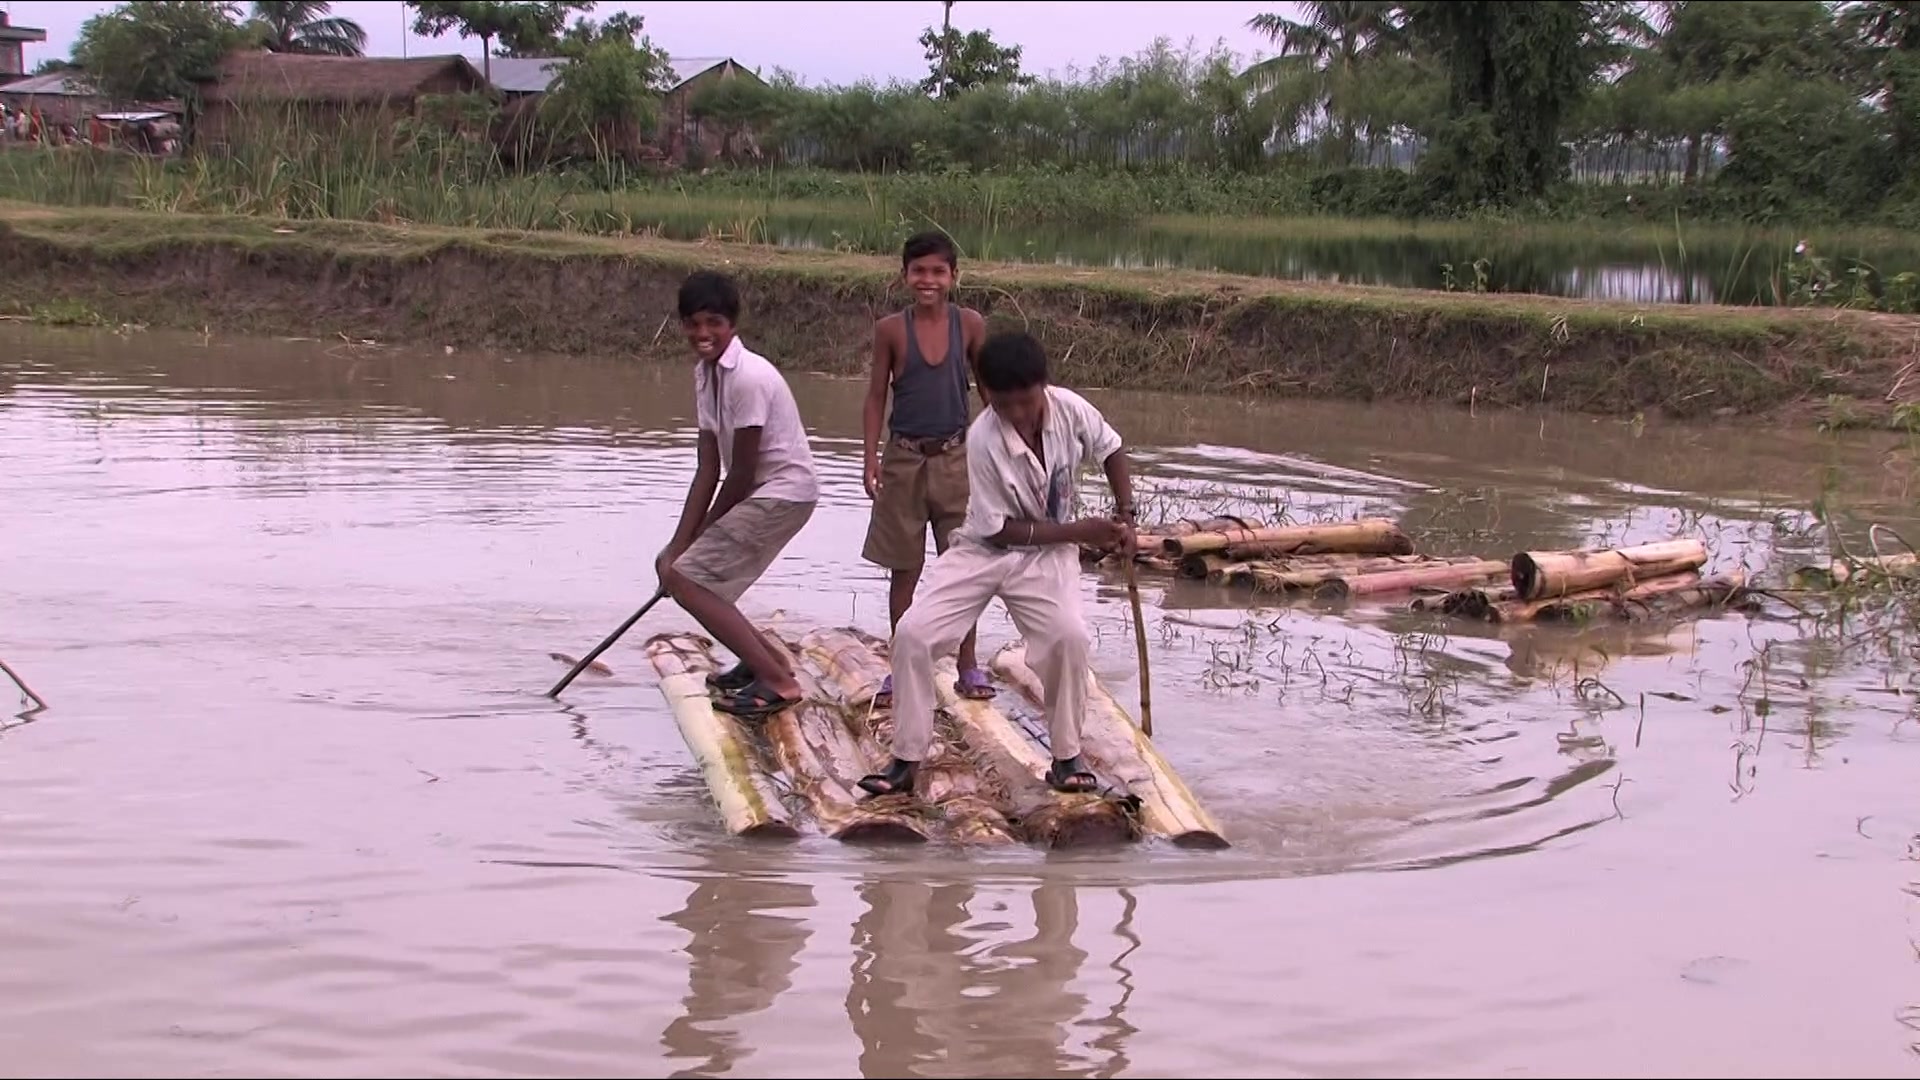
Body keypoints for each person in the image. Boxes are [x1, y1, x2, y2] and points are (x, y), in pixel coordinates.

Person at [858, 329, 1137, 798]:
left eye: (1026, 402)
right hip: (984, 550)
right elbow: (1000, 531)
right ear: (988, 396)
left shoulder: (1071, 409)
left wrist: (1126, 514)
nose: (1018, 414)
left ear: (1043, 385)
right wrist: (1080, 531)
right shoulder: (983, 438)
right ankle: (906, 760)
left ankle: (1066, 756)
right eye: (1005, 404)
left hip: (1046, 556)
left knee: (1069, 638)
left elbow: (1111, 449)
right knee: (913, 635)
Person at [655, 270, 820, 721]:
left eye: (713, 323)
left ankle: (779, 682)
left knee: (691, 580)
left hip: (783, 492)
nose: (702, 334)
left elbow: (742, 473)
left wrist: (694, 545)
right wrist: (676, 545)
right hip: (762, 491)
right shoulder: (705, 376)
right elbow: (708, 468)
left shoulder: (748, 377)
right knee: (685, 569)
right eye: (693, 324)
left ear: (732, 324)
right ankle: (766, 660)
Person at [860, 230, 995, 707]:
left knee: (963, 566)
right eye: (919, 271)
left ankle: (968, 664)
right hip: (903, 459)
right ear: (904, 276)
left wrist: (1003, 454)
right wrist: (870, 456)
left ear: (954, 277)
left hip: (957, 459)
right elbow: (877, 395)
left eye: (938, 271)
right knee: (905, 569)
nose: (928, 280)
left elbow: (989, 391)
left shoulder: (971, 325)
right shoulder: (891, 330)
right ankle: (905, 665)